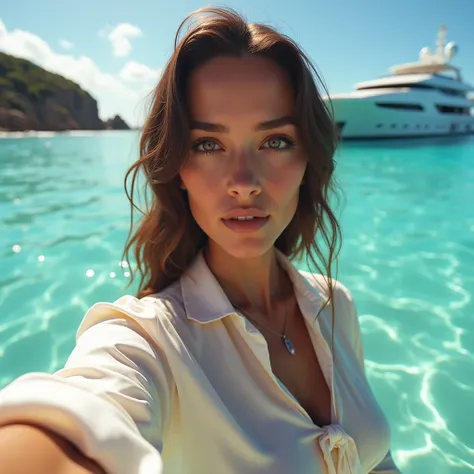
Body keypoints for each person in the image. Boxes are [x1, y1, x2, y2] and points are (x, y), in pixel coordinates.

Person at [0, 7, 402, 474]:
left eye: (275, 141)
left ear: (307, 158)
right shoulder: (148, 341)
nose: (243, 182)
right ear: (178, 169)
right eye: (208, 145)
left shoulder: (336, 304)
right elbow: (83, 410)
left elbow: (373, 458)